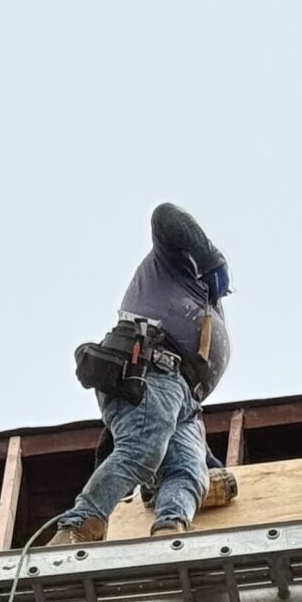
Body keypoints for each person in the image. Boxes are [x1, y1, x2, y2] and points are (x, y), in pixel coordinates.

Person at [52, 203, 236, 543]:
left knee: (190, 472)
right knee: (143, 449)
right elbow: (165, 215)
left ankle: (169, 531)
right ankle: (80, 524)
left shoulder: (205, 298)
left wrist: (209, 459)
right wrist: (210, 258)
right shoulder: (176, 261)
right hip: (150, 368)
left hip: (182, 399)